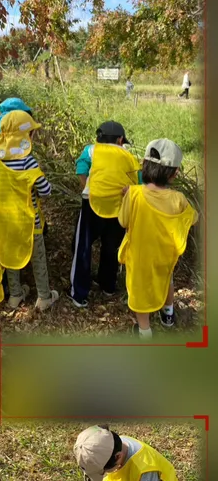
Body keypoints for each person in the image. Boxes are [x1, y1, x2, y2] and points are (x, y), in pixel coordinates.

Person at [118, 139, 198, 338]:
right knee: (166, 281)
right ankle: (168, 315)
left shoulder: (134, 194)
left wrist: (126, 197)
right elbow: (192, 218)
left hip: (139, 256)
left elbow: (123, 221)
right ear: (174, 173)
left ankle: (144, 330)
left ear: (144, 165)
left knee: (139, 292)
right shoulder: (178, 198)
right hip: (164, 256)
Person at [0, 110, 58, 311]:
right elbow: (45, 190)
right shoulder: (29, 162)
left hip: (5, 223)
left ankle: (15, 295)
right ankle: (44, 297)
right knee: (38, 258)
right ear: (25, 137)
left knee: (9, 257)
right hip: (29, 223)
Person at [69, 121, 140, 309]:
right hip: (118, 207)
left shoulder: (91, 150)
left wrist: (86, 189)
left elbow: (81, 169)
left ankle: (79, 294)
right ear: (119, 139)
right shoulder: (128, 155)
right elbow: (138, 182)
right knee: (111, 247)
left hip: (92, 203)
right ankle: (107, 285)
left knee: (83, 246)